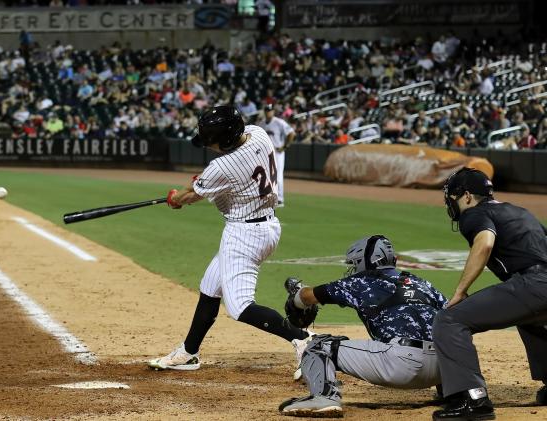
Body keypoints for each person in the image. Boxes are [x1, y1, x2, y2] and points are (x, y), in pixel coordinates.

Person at [148, 105, 310, 372]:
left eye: (210, 141)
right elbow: (212, 183)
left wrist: (175, 198)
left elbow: (188, 196)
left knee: (240, 307)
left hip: (244, 234)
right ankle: (188, 352)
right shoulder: (258, 133)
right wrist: (199, 184)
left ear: (223, 140)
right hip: (267, 225)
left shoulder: (222, 165)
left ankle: (303, 340)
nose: (208, 146)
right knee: (210, 288)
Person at [279, 235, 446, 417]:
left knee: (317, 346)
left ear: (363, 261)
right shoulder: (422, 283)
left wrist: (296, 297)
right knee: (443, 334)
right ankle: (451, 394)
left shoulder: (360, 282)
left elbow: (308, 296)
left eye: (355, 263)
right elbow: (454, 318)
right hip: (444, 368)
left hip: (402, 366)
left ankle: (323, 398)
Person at [432, 168, 547, 420]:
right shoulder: (519, 211)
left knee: (449, 320)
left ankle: (472, 399)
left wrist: (460, 291)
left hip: (534, 284)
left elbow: (484, 243)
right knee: (529, 317)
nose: (451, 204)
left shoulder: (473, 214)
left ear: (467, 196)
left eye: (453, 198)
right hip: (541, 285)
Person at [258, 104, 294, 207]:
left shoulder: (279, 122)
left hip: (278, 153)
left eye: (270, 110)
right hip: (266, 154)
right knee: (266, 176)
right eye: (267, 110)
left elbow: (291, 133)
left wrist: (285, 146)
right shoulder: (261, 124)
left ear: (273, 111)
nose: (268, 112)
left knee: (277, 176)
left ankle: (280, 199)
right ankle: (269, 197)